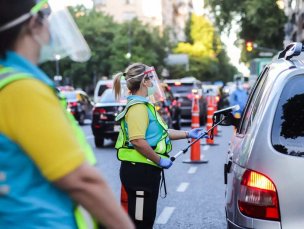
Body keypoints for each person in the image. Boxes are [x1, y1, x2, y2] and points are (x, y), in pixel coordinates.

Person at [0, 0, 134, 228]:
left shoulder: (7, 79)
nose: (51, 28)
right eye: (47, 18)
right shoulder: (23, 89)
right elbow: (82, 181)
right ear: (34, 23)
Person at [113, 63, 208, 229]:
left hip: (145, 171)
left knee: (145, 219)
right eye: (150, 78)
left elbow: (161, 133)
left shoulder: (144, 105)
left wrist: (188, 134)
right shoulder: (137, 108)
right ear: (144, 81)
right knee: (141, 222)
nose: (153, 82)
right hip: (139, 173)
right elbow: (137, 141)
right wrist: (159, 160)